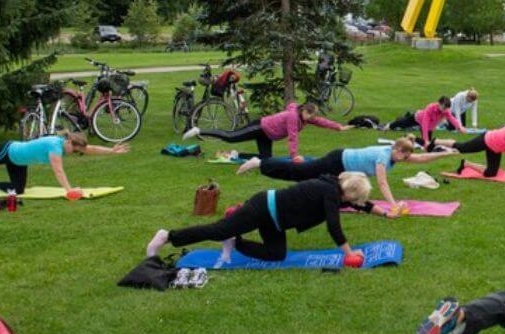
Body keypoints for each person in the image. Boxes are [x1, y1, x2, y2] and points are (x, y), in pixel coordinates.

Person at [146, 173, 373, 263]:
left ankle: (236, 242)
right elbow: (334, 226)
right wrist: (349, 253)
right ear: (351, 193)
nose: (356, 203)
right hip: (263, 208)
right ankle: (167, 236)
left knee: (277, 255)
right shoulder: (330, 193)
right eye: (358, 198)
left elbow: (358, 206)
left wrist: (384, 212)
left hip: (275, 220)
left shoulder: (334, 188)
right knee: (218, 230)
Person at [236, 137, 452, 213]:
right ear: (397, 151)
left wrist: (443, 154)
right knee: (300, 174)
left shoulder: (396, 155)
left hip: (342, 168)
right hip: (336, 161)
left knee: (315, 181)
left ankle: (328, 206)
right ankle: (260, 162)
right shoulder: (383, 158)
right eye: (405, 156)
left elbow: (422, 158)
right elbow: (383, 183)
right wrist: (393, 204)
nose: (406, 160)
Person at [184, 102, 347, 160]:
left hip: (268, 134)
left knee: (266, 158)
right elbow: (293, 136)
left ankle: (235, 155)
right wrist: (294, 155)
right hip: (260, 127)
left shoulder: (305, 117)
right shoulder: (293, 116)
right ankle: (199, 130)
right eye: (308, 115)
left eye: (311, 117)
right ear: (304, 110)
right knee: (230, 137)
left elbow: (321, 121)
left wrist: (338, 127)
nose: (310, 119)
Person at [385, 96, 465, 150]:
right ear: (438, 103)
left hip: (430, 127)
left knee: (428, 145)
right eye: (444, 108)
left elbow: (452, 118)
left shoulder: (445, 111)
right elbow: (425, 123)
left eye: (446, 109)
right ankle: (389, 126)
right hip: (417, 118)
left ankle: (410, 137)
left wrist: (459, 127)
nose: (445, 110)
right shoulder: (430, 107)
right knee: (402, 123)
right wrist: (426, 139)